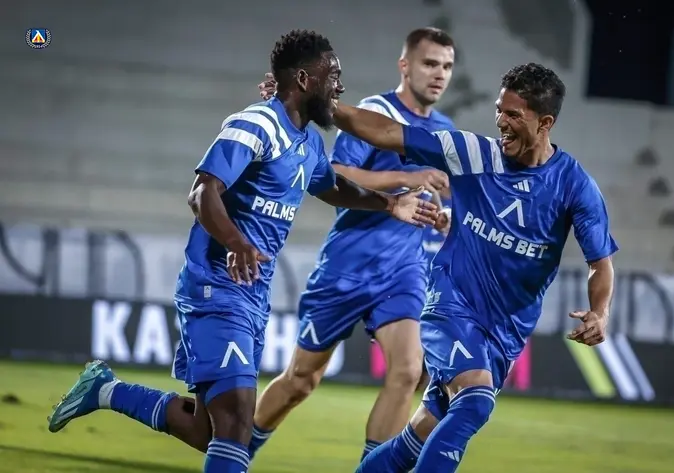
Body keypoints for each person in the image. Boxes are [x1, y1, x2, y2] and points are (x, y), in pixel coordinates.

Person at [46, 29, 438, 473]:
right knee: (235, 423)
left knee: (210, 431)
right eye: (333, 76)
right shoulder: (256, 124)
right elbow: (202, 192)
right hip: (216, 286)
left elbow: (332, 187)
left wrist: (390, 204)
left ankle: (105, 390)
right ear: (305, 79)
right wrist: (235, 242)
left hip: (252, 294)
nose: (340, 87)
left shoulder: (308, 142)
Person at [328, 62, 619, 472]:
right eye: (499, 110)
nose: (501, 122)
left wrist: (600, 312)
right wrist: (323, 104)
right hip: (452, 304)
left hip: (505, 332)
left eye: (513, 114)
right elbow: (387, 132)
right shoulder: (471, 154)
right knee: (475, 401)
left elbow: (600, 263)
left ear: (545, 123)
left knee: (419, 435)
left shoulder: (574, 186)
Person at [248, 26, 457, 463]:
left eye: (447, 66)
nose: (439, 74)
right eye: (430, 63)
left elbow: (440, 195)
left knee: (408, 371)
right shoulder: (376, 112)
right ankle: (238, 448)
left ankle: (372, 469)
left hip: (403, 271)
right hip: (347, 267)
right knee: (301, 380)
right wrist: (405, 178)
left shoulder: (444, 131)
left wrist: (443, 217)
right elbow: (335, 175)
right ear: (405, 66)